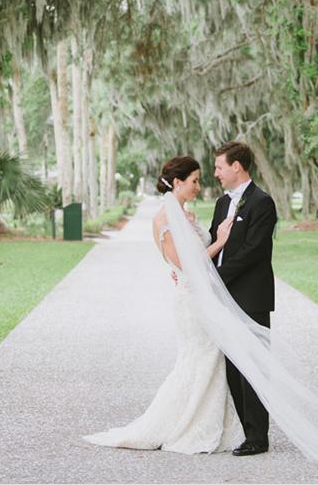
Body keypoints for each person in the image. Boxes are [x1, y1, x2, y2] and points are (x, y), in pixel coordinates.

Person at [83, 156, 244, 454]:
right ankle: (180, 425)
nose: (199, 186)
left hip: (200, 293)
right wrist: (220, 240)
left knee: (207, 357)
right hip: (190, 301)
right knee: (200, 357)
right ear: (178, 182)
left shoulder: (184, 215)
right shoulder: (164, 218)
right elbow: (185, 262)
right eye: (194, 180)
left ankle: (207, 421)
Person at [209, 141, 277, 456]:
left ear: (237, 166)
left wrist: (214, 278)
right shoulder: (222, 203)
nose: (216, 173)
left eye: (220, 166)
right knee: (232, 367)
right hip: (222, 299)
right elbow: (214, 243)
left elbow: (254, 252)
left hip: (250, 297)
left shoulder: (262, 203)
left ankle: (258, 438)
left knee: (254, 367)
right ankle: (248, 431)